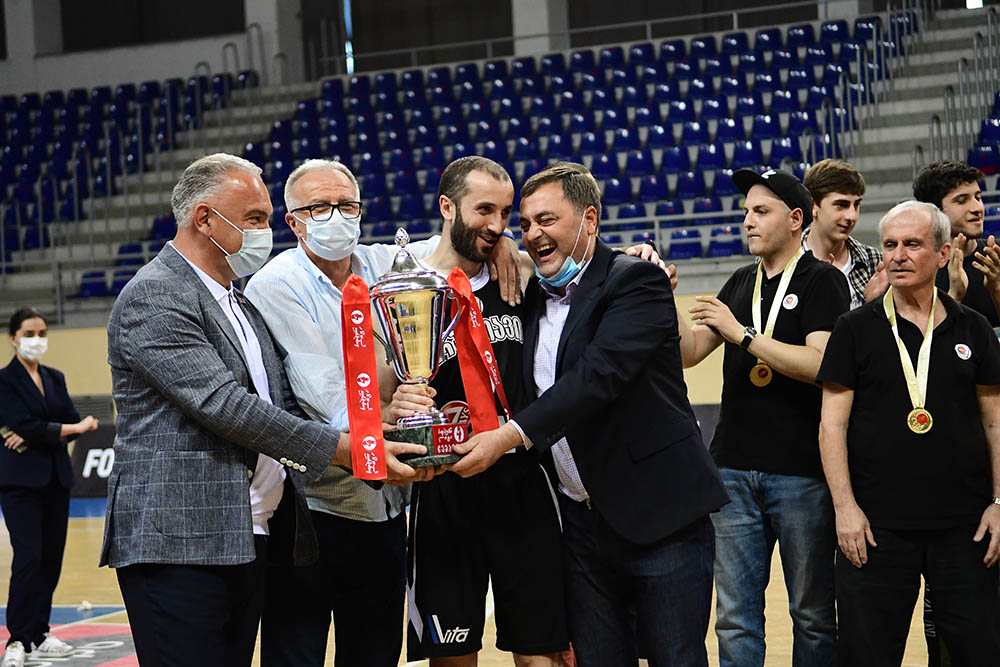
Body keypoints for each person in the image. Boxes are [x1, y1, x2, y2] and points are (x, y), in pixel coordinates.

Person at [99, 153, 428, 667]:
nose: (266, 233)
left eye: (268, 219)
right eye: (254, 219)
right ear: (205, 219)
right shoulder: (156, 294)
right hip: (179, 541)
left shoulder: (237, 300)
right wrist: (351, 451)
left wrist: (378, 431)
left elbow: (282, 401)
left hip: (244, 534)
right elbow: (227, 407)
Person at [448, 161, 729, 666]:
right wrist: (502, 247)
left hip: (660, 517)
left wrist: (506, 437)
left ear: (590, 220)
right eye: (525, 224)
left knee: (675, 658)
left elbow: (597, 378)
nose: (534, 234)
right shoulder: (531, 296)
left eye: (547, 220)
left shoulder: (637, 280)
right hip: (581, 527)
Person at [244, 158, 521, 667]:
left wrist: (498, 242)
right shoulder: (276, 283)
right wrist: (391, 421)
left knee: (375, 654)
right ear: (294, 222)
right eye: (319, 207)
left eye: (346, 205)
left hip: (387, 509)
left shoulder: (382, 263)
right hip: (315, 510)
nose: (335, 217)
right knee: (296, 654)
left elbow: (454, 243)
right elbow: (324, 394)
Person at [385, 156, 569, 666]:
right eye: (484, 210)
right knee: (452, 655)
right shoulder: (405, 292)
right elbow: (379, 398)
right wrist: (396, 405)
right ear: (447, 207)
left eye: (506, 214)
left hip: (523, 479)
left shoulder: (520, 271)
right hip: (444, 486)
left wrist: (643, 254)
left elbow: (586, 263)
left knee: (541, 652)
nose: (497, 225)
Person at [675, 168, 849, 666]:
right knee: (734, 617)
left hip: (801, 473)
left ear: (795, 220)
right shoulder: (740, 281)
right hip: (732, 468)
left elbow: (820, 364)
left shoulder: (823, 280)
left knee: (812, 615)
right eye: (747, 211)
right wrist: (660, 295)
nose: (747, 221)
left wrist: (744, 335)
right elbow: (689, 353)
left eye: (761, 211)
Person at [817, 200, 1000, 666]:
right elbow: (832, 425)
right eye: (890, 245)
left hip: (966, 529)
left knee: (978, 652)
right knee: (866, 657)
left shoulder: (974, 328)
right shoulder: (854, 329)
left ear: (943, 254)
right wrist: (845, 509)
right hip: (875, 530)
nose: (897, 255)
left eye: (912, 244)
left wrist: (999, 504)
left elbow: (994, 422)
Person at [0, 308, 98, 667]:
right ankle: (17, 638)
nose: (37, 339)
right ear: (13, 338)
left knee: (50, 560)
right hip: (19, 483)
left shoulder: (55, 377)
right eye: (29, 333)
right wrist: (67, 429)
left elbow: (63, 420)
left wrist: (45, 431)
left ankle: (40, 633)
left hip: (56, 479)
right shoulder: (4, 381)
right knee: (28, 557)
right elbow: (24, 423)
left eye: (42, 332)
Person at [913, 161, 1000, 326]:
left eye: (978, 197)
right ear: (934, 211)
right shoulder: (919, 269)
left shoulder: (997, 255)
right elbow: (923, 338)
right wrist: (954, 296)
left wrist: (997, 289)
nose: (977, 208)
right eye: (961, 201)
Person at [802, 159, 885, 309]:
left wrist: (873, 304)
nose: (852, 216)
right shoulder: (785, 262)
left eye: (856, 205)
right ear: (813, 205)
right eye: (841, 205)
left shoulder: (874, 261)